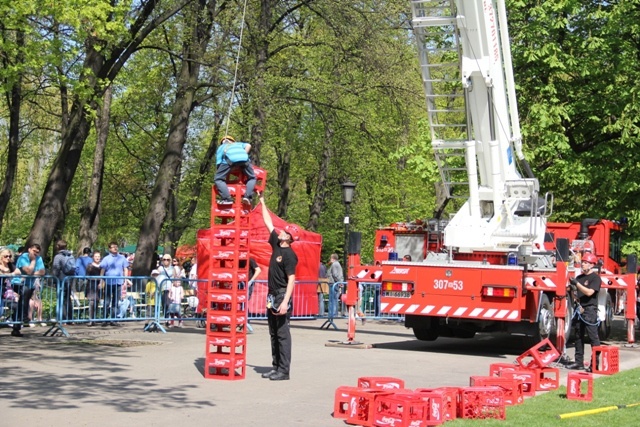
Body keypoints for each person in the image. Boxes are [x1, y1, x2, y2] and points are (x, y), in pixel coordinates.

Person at [259, 192, 299, 381]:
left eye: (286, 231)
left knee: (282, 333)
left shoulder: (289, 255)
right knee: (273, 332)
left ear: (289, 238)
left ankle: (284, 370)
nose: (282, 231)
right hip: (272, 294)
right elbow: (268, 223)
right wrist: (262, 201)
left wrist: (285, 302)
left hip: (282, 295)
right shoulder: (277, 246)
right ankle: (275, 367)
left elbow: (292, 278)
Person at [566, 252, 602, 371]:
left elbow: (589, 292)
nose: (583, 264)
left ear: (592, 265)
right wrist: (572, 288)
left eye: (586, 263)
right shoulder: (579, 277)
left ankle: (595, 364)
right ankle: (578, 362)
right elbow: (577, 294)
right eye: (583, 262)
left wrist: (577, 284)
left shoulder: (595, 278)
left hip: (590, 310)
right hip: (580, 309)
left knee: (593, 338)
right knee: (578, 336)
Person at [214, 135, 257, 205]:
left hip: (230, 160)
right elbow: (248, 145)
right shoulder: (238, 144)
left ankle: (226, 198)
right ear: (233, 141)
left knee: (218, 179)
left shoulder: (221, 147)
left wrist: (222, 172)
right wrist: (242, 154)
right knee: (252, 178)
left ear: (222, 142)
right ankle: (247, 197)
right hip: (244, 159)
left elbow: (219, 163)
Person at [14, 244, 46, 337]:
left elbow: (43, 272)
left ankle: (19, 325)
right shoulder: (23, 258)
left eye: (37, 252)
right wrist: (32, 261)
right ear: (29, 249)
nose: (35, 253)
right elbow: (28, 271)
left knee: (24, 303)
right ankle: (21, 321)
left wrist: (33, 273)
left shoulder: (39, 258)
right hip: (19, 283)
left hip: (30, 284)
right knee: (21, 303)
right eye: (34, 251)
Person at [99, 242, 129, 326]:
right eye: (113, 247)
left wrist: (125, 280)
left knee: (116, 302)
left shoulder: (122, 258)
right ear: (109, 249)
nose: (115, 248)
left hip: (118, 283)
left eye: (116, 247)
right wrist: (101, 280)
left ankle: (114, 319)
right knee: (107, 301)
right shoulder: (106, 258)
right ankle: (104, 319)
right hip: (108, 282)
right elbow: (102, 270)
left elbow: (125, 269)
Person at [52, 240, 75, 323]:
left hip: (61, 280)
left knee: (61, 299)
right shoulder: (71, 255)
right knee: (67, 299)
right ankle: (70, 319)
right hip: (69, 279)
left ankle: (63, 319)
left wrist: (54, 278)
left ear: (58, 246)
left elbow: (56, 268)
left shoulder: (58, 256)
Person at [0, 248, 22, 335]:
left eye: (9, 256)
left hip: (4, 290)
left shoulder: (9, 265)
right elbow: (3, 273)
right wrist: (10, 274)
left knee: (17, 306)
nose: (8, 258)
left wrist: (10, 274)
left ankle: (16, 328)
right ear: (1, 257)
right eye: (6, 256)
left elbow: (18, 272)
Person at [85, 251, 102, 326]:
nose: (97, 258)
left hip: (99, 285)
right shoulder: (90, 266)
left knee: (97, 302)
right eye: (96, 256)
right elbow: (87, 275)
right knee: (91, 302)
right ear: (93, 257)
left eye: (98, 256)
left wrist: (101, 282)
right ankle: (90, 319)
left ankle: (94, 319)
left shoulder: (102, 266)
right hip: (91, 285)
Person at [157, 255, 175, 320]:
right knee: (164, 304)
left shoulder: (172, 269)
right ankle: (166, 319)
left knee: (168, 304)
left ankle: (168, 318)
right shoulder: (160, 268)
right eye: (164, 259)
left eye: (167, 259)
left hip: (169, 288)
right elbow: (156, 277)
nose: (166, 261)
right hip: (162, 288)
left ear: (170, 260)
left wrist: (173, 287)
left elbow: (174, 279)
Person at [327, 253, 344, 318]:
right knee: (335, 299)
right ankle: (335, 313)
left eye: (331, 258)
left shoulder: (334, 264)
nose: (330, 259)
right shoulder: (338, 264)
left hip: (334, 283)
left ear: (333, 258)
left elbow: (334, 274)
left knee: (332, 299)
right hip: (336, 283)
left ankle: (333, 313)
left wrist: (339, 282)